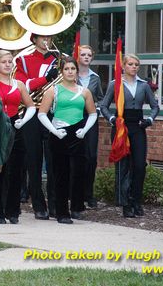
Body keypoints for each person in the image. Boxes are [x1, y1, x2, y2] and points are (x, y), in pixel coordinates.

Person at [37, 57, 97, 224]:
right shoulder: (53, 91)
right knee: (60, 174)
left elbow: (92, 114)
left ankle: (77, 208)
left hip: (78, 135)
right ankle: (61, 212)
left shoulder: (85, 91)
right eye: (66, 69)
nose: (70, 71)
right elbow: (42, 113)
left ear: (77, 71)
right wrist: (54, 131)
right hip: (59, 135)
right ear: (62, 72)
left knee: (79, 172)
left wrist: (84, 130)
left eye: (72, 68)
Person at [99, 54, 159, 218]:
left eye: (136, 64)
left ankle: (136, 200)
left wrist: (149, 120)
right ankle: (125, 204)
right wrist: (112, 119)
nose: (134, 67)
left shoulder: (144, 85)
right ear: (123, 66)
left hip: (138, 127)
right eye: (131, 64)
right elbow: (103, 106)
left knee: (139, 165)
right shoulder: (115, 84)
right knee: (123, 166)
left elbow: (155, 107)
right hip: (121, 128)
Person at [14, 34, 59, 220]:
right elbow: (23, 85)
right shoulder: (23, 60)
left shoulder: (57, 60)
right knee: (33, 160)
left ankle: (56, 204)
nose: (46, 40)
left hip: (51, 113)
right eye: (42, 37)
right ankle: (38, 205)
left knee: (54, 159)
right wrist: (45, 79)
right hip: (31, 112)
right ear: (34, 39)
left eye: (49, 36)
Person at [0, 50, 35, 224]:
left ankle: (13, 211)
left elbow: (31, 106)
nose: (8, 64)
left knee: (16, 171)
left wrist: (23, 121)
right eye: (4, 62)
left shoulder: (19, 84)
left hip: (16, 126)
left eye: (10, 61)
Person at [76, 45, 104, 208]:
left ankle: (89, 193)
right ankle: (75, 191)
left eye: (89, 55)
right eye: (83, 55)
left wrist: (97, 107)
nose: (86, 57)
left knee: (91, 156)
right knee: (76, 155)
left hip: (90, 118)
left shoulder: (95, 78)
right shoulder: (71, 74)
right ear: (78, 57)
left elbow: (100, 97)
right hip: (74, 117)